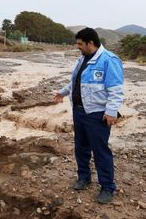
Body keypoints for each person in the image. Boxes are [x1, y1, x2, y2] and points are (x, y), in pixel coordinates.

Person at [54, 27, 124, 204]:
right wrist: (62, 93)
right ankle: (84, 177)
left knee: (101, 151)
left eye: (79, 44)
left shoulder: (109, 60)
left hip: (97, 114)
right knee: (81, 147)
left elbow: (115, 90)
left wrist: (110, 112)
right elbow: (75, 82)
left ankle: (108, 187)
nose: (77, 46)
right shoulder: (82, 59)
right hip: (79, 111)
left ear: (90, 43)